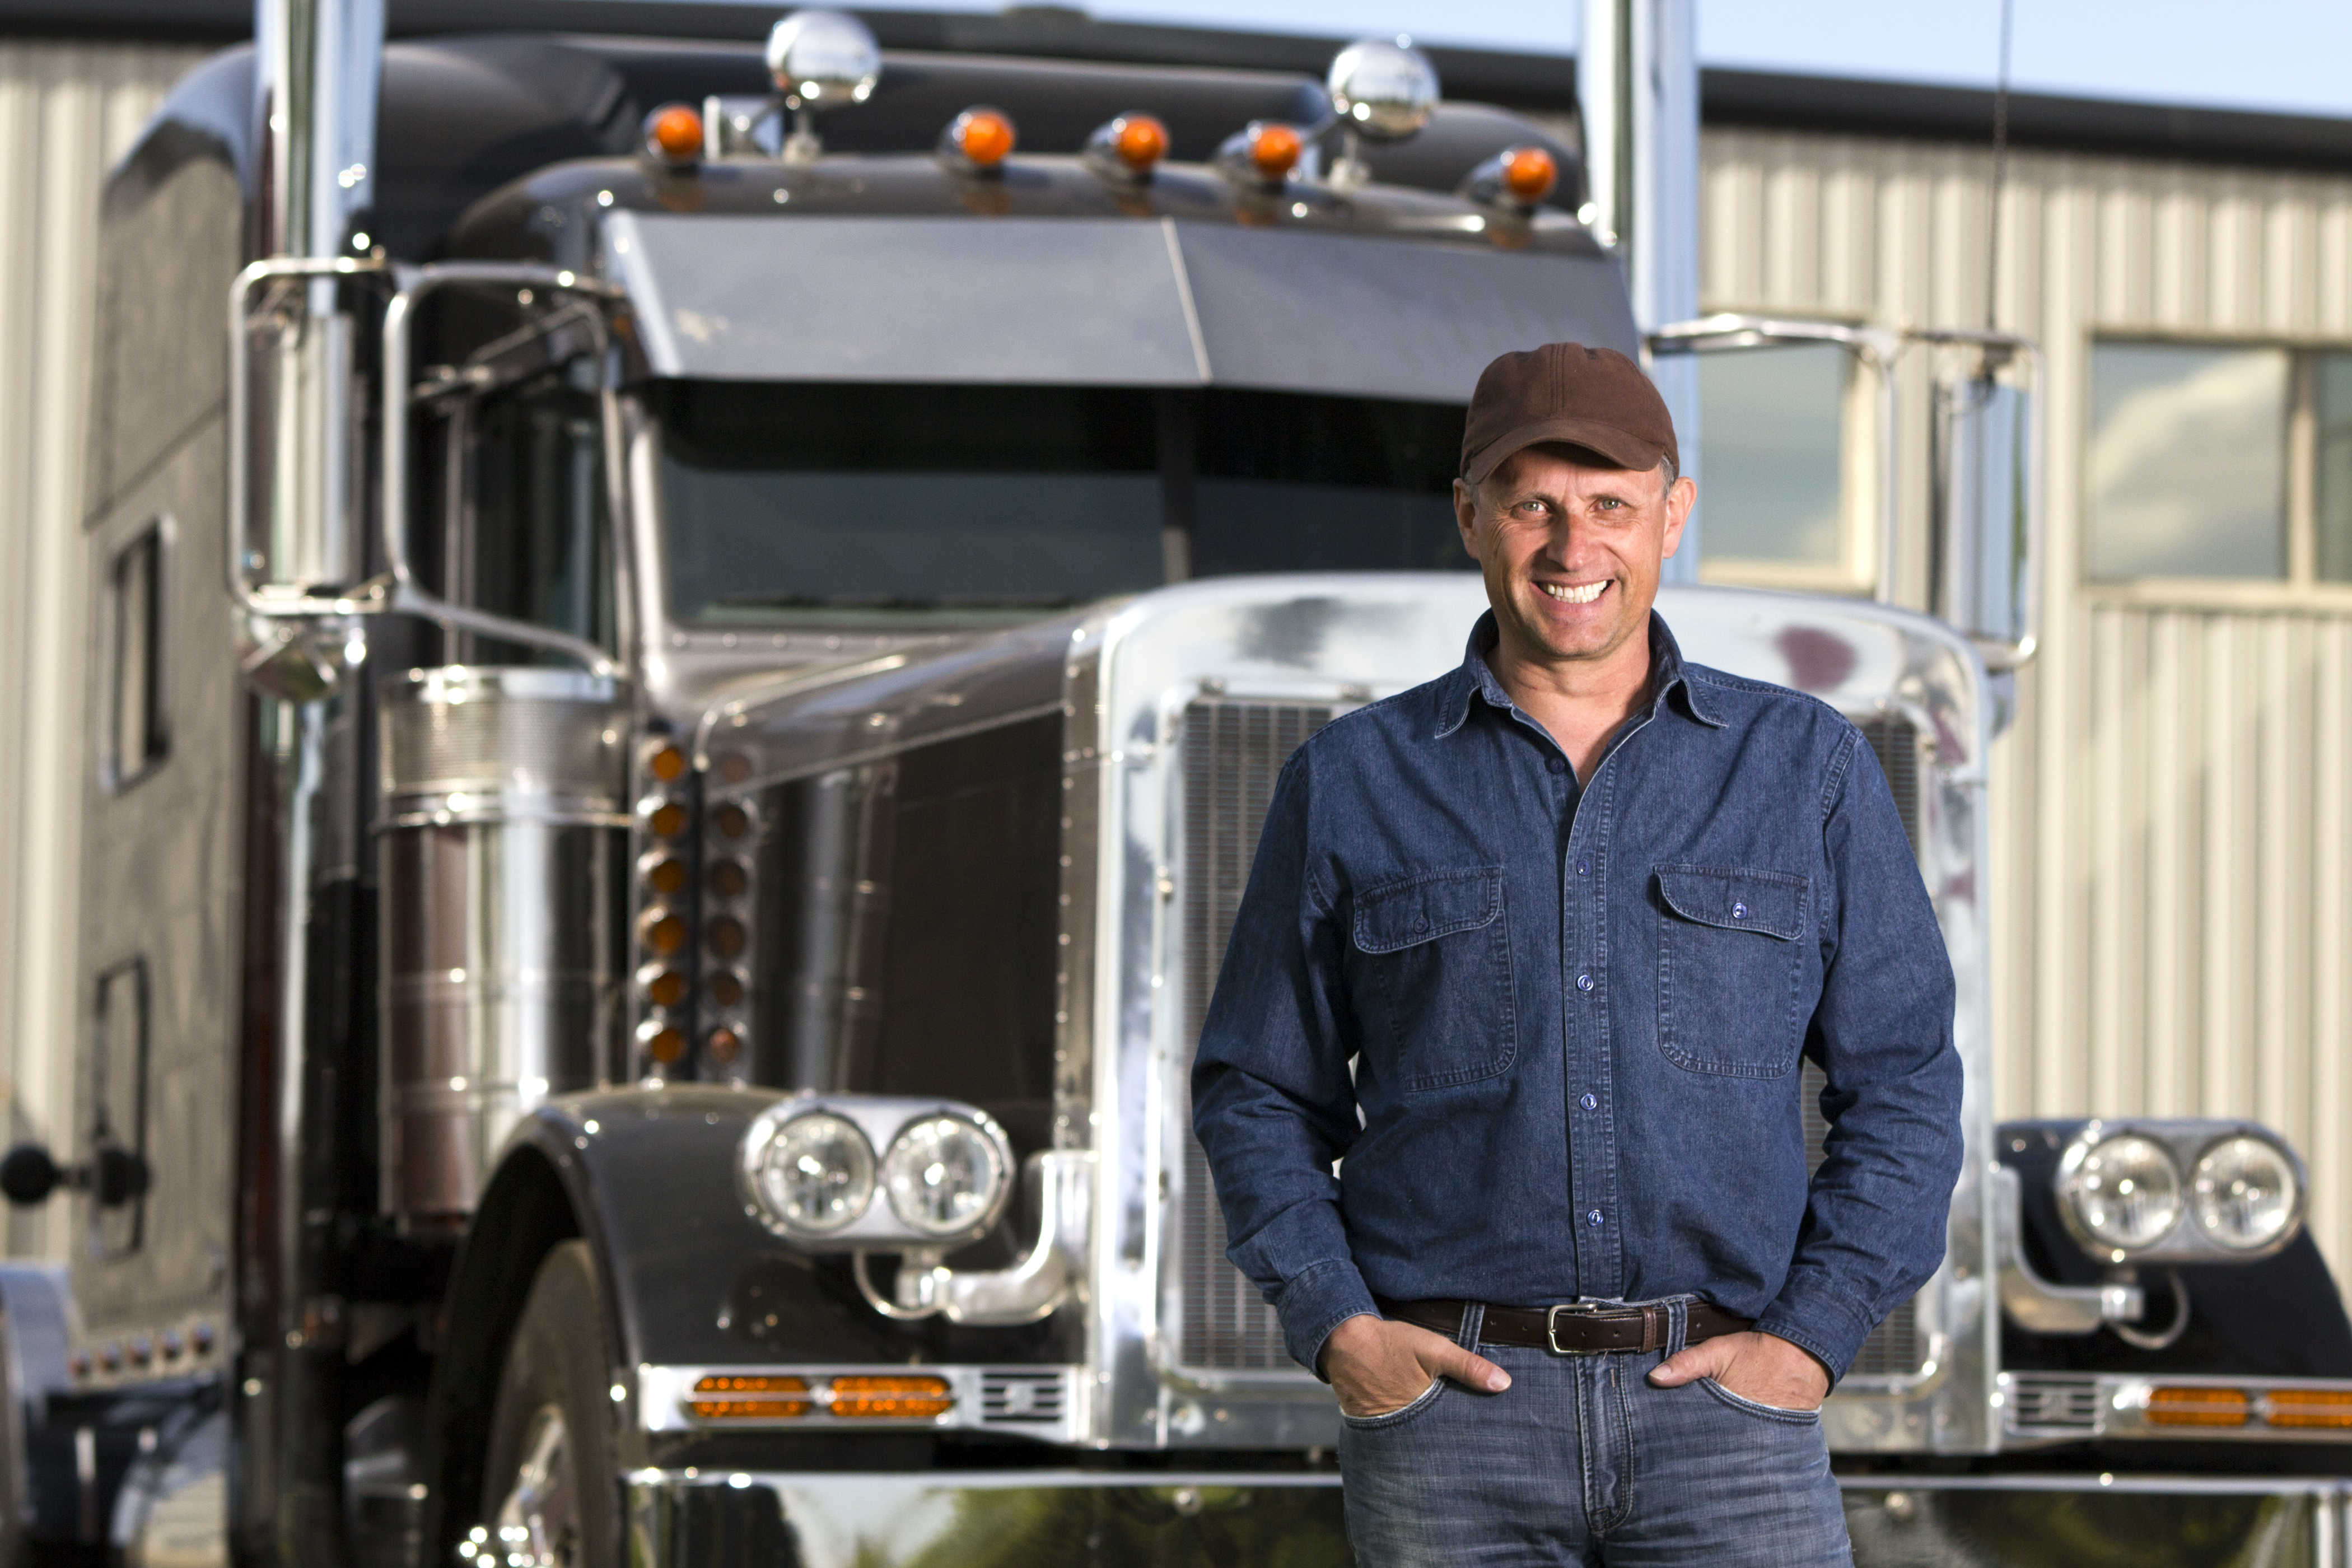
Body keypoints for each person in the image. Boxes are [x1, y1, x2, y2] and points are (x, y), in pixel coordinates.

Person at [1189, 342, 1963, 1565]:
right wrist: (1341, 1325)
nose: (1572, 544)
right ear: (1470, 516)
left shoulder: (1802, 768)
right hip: (1452, 1428)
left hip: (1730, 1420)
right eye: (1533, 502)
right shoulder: (1352, 779)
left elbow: (1907, 1078)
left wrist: (1814, 1333)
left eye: (1609, 504)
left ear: (1673, 513)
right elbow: (1256, 1087)